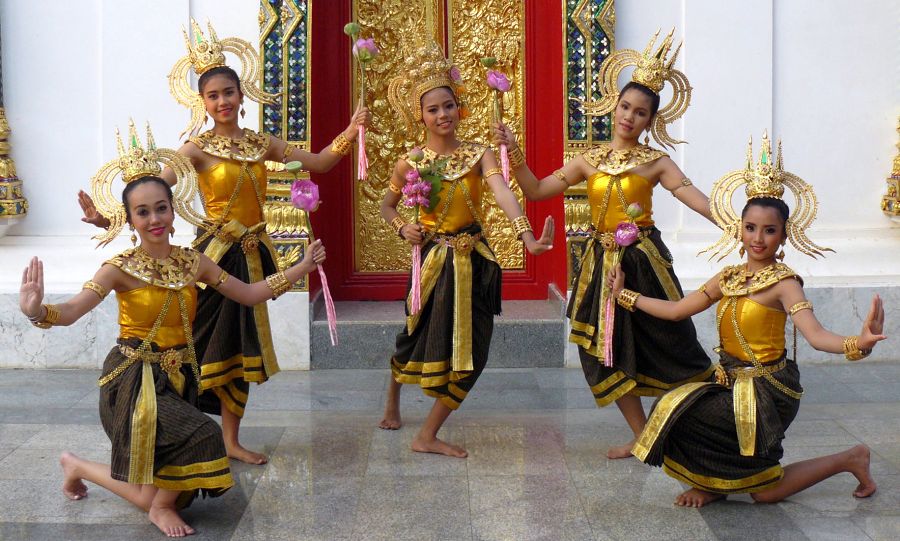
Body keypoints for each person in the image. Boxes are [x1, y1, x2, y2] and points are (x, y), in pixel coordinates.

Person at [78, 19, 367, 464]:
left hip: (253, 257)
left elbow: (321, 162)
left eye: (228, 93)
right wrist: (106, 219)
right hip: (213, 255)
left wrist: (351, 131)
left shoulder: (261, 144)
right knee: (199, 341)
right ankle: (171, 427)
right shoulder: (195, 148)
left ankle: (230, 440)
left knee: (240, 346)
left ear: (241, 95)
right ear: (203, 102)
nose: (222, 102)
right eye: (213, 96)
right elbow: (153, 192)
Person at [26, 161, 324, 536]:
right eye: (143, 211)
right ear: (131, 219)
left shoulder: (194, 262)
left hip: (177, 378)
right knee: (204, 437)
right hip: (133, 382)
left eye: (161, 208)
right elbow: (70, 311)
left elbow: (249, 294)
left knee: (161, 491)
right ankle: (161, 509)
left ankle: (77, 466)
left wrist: (301, 267)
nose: (154, 219)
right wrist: (38, 310)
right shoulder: (119, 268)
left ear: (173, 208)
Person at [612, 133, 884, 507]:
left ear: (783, 235)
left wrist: (859, 342)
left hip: (769, 390)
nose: (759, 238)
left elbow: (817, 336)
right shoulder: (728, 277)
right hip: (730, 383)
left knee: (765, 493)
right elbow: (677, 310)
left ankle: (849, 458)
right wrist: (626, 295)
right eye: (751, 227)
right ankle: (714, 484)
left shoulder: (785, 283)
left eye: (769, 230)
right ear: (739, 229)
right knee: (674, 407)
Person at [493, 29, 714, 458]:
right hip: (598, 264)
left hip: (642, 263)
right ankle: (642, 434)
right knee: (601, 350)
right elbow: (536, 190)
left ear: (652, 121)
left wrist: (737, 220)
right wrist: (514, 153)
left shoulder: (656, 162)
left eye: (641, 113)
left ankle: (702, 418)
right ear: (614, 106)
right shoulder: (587, 159)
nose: (630, 117)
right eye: (626, 107)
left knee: (670, 341)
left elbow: (694, 197)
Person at [377, 40, 554, 457]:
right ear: (419, 115)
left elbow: (503, 191)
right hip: (433, 263)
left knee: (475, 348)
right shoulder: (410, 162)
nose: (443, 115)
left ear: (460, 108)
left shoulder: (479, 153)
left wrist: (526, 236)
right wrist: (404, 227)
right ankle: (393, 399)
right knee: (412, 336)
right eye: (433, 108)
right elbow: (385, 206)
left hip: (475, 262)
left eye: (449, 106)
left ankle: (427, 435)